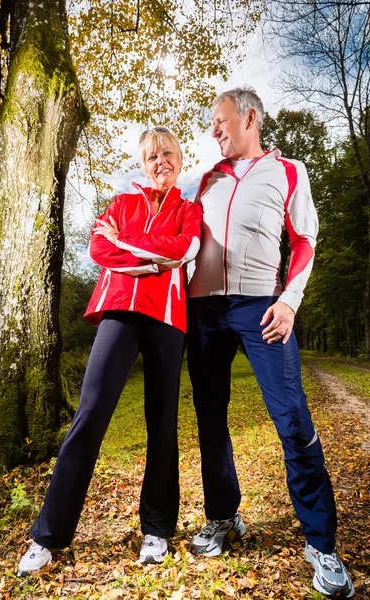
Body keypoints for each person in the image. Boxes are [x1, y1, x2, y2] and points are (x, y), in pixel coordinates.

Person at [187, 88, 354, 599]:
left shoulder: (289, 171)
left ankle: (321, 543)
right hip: (204, 311)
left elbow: (304, 239)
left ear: (249, 117)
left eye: (220, 121)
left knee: (292, 416)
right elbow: (179, 236)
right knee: (210, 419)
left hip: (262, 306)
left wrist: (289, 301)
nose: (213, 130)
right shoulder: (205, 180)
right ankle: (223, 518)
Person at [17, 127, 203, 576]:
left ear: (180, 160)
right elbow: (99, 246)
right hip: (119, 308)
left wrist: (129, 246)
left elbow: (185, 248)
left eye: (169, 154)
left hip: (168, 316)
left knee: (162, 423)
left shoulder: (189, 209)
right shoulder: (121, 204)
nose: (162, 161)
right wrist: (148, 261)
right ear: (143, 164)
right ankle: (48, 536)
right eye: (153, 156)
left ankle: (157, 529)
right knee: (91, 414)